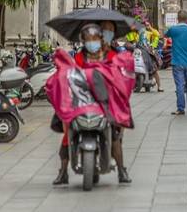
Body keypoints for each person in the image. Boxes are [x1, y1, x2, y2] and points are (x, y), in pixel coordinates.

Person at [53, 23, 132, 185]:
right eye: (88, 39)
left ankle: (121, 169)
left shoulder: (111, 56)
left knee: (114, 133)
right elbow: (70, 73)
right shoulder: (79, 57)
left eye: (95, 39)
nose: (92, 42)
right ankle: (63, 171)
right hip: (82, 100)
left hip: (104, 102)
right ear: (83, 41)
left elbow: (118, 77)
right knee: (68, 129)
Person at [165, 10, 187, 115]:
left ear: (177, 19)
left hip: (177, 62)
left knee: (180, 85)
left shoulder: (173, 29)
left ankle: (180, 109)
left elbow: (165, 35)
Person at [146, 22, 164, 92]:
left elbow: (158, 35)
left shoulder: (153, 32)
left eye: (148, 25)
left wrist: (150, 28)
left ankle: (159, 86)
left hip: (152, 52)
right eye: (145, 25)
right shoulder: (141, 32)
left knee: (154, 69)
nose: (146, 26)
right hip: (143, 51)